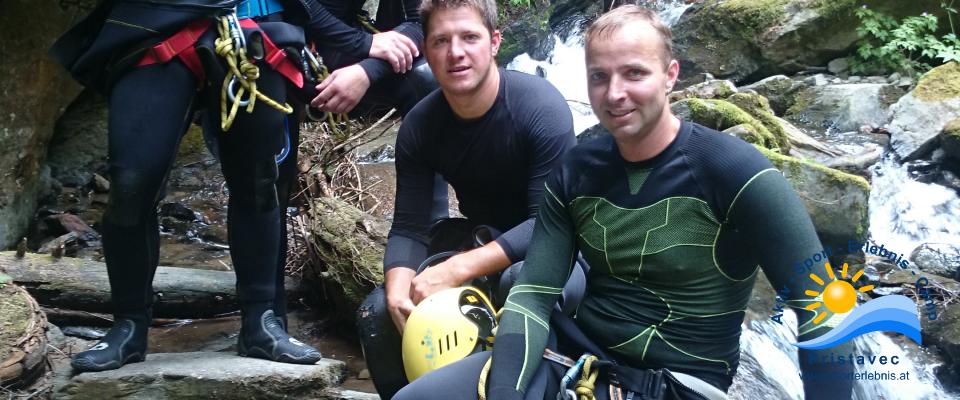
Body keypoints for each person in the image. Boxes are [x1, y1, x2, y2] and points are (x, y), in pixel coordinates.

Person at [394, 5, 855, 400]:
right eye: (600, 77)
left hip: (680, 383)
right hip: (573, 362)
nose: (615, 94)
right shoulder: (576, 172)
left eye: (634, 72)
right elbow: (532, 299)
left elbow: (823, 310)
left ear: (671, 74)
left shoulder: (736, 172)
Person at [50, 0, 328, 372]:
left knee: (258, 182)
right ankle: (128, 327)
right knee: (132, 183)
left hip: (253, 21)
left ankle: (261, 323)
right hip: (154, 21)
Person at [354, 0, 577, 397]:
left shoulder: (540, 108)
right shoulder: (421, 125)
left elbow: (551, 225)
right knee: (376, 312)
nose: (455, 52)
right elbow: (409, 226)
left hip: (562, 254)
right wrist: (397, 289)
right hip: (482, 241)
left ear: (493, 42)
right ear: (426, 49)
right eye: (441, 40)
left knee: (518, 283)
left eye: (469, 37)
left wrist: (457, 269)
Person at [271, 0, 440, 328]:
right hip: (278, 42)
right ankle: (267, 308)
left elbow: (421, 22)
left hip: (343, 55)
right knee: (273, 173)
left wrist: (367, 69)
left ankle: (432, 245)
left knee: (425, 77)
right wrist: (363, 44)